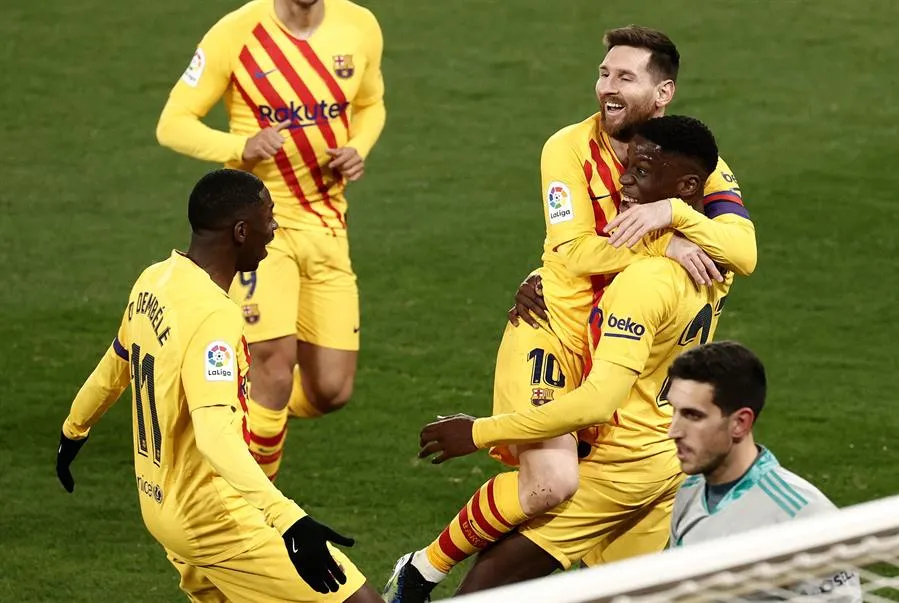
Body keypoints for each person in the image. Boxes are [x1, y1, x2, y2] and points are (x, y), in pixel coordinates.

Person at [383, 25, 756, 602]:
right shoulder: (567, 149)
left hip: (619, 349)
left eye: (624, 77)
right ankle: (423, 569)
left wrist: (677, 219)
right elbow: (571, 249)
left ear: (662, 94)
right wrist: (666, 241)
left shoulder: (692, 160)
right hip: (554, 330)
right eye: (604, 73)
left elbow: (745, 253)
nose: (607, 86)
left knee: (613, 544)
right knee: (552, 483)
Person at [54, 169, 382, 603]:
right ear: (242, 231)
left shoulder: (154, 279)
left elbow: (116, 365)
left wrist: (74, 428)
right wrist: (289, 519)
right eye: (269, 217)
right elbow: (214, 435)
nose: (275, 228)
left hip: (159, 507)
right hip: (213, 520)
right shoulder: (214, 318)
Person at [156, 0, 387, 480]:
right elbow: (173, 123)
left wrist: (357, 149)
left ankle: (230, 408)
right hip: (261, 227)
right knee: (273, 368)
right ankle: (256, 510)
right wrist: (239, 147)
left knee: (330, 390)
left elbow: (369, 104)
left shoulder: (359, 25)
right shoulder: (236, 33)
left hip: (327, 225)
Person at [666, 341, 861, 602]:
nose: (673, 431)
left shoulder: (804, 517)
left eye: (692, 415)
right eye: (674, 411)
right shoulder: (690, 491)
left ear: (740, 423)